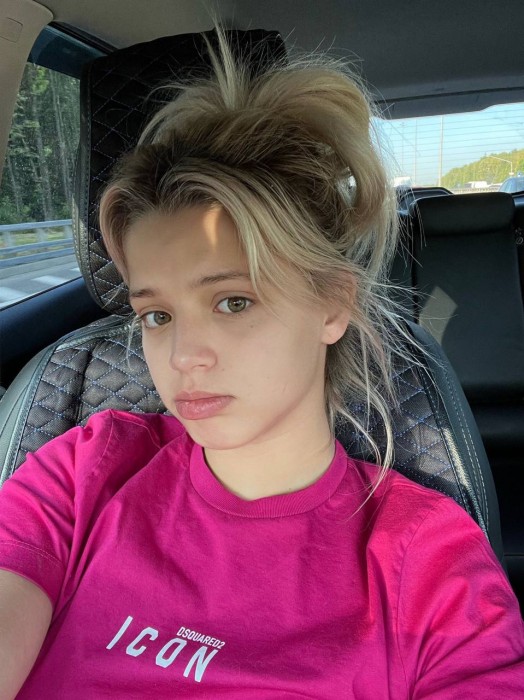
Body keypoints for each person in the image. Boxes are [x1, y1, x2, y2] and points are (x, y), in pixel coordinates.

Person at [0, 29, 523, 699]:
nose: (183, 357)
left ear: (333, 304)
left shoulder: (428, 563)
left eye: (233, 301)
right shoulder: (83, 471)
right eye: (157, 315)